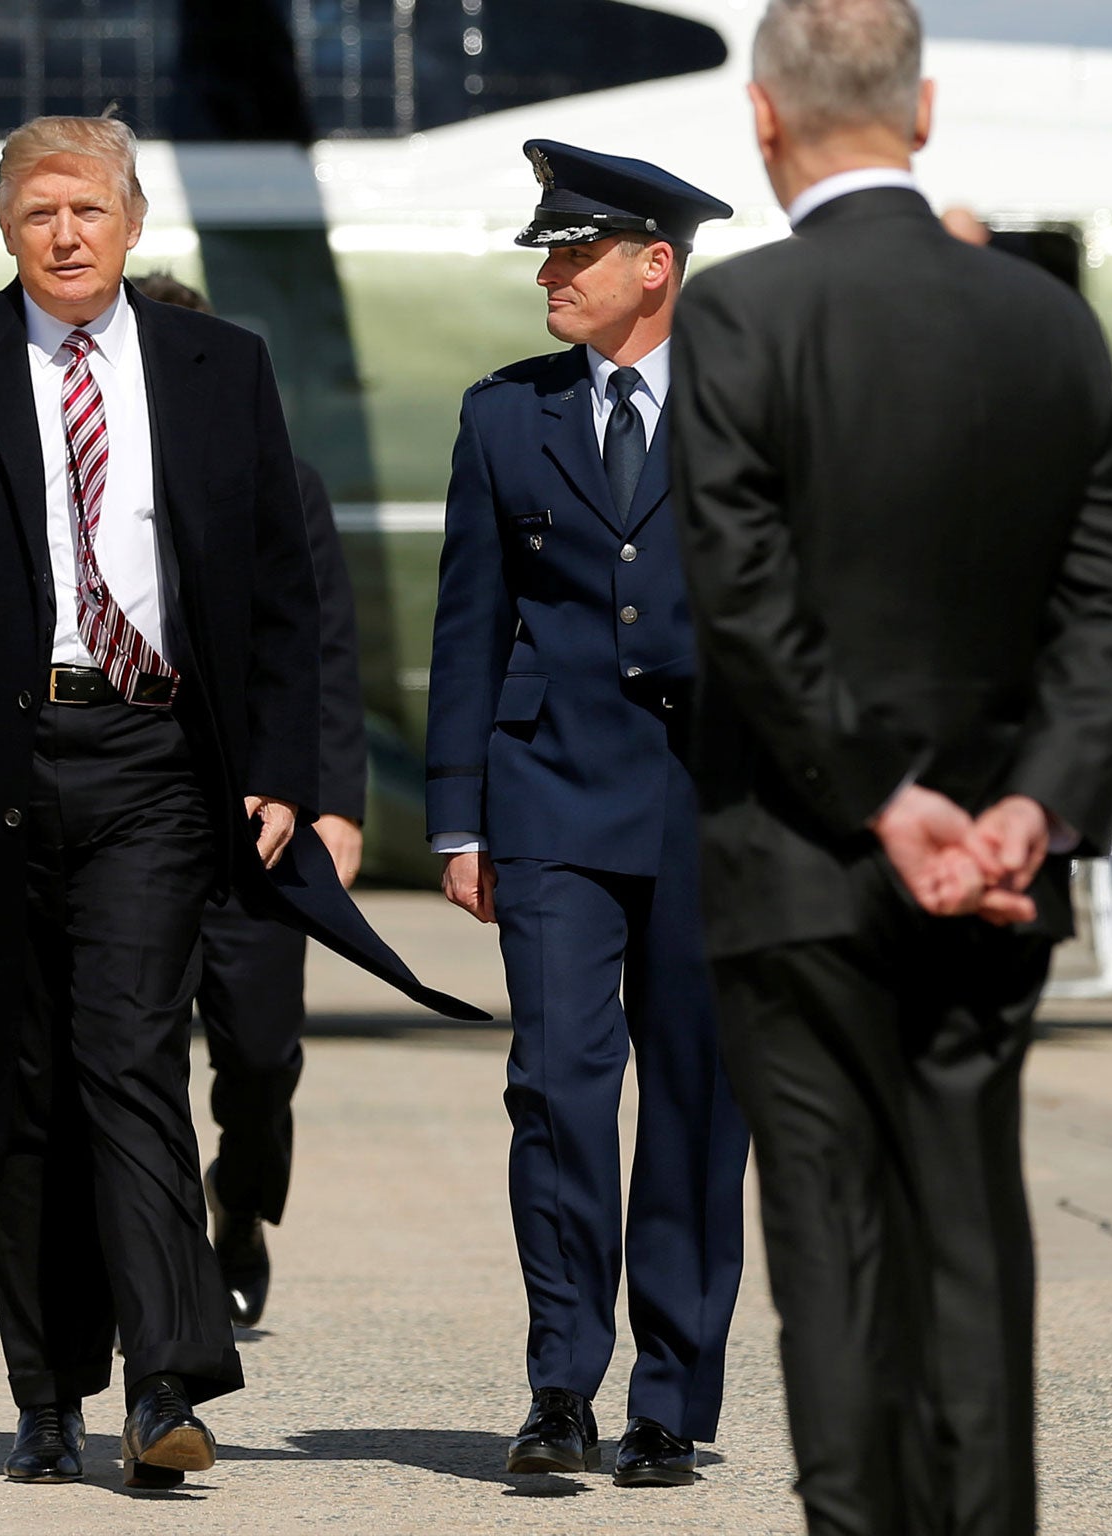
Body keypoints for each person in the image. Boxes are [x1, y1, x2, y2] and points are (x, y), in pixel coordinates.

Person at [0, 112, 481, 1492]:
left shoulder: (216, 367)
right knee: (25, 1088)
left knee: (131, 1060)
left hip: (153, 761)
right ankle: (49, 1394)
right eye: (40, 212)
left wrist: (287, 772)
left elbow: (283, 588)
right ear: (6, 227)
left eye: (90, 211)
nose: (66, 234)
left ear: (132, 225)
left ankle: (167, 1384)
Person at [668, 4, 1112, 1533]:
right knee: (974, 1236)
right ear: (923, 113)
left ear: (762, 120)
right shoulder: (1053, 321)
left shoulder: (739, 317)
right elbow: (1100, 603)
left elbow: (741, 590)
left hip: (799, 858)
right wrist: (1027, 805)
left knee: (833, 1251)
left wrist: (880, 795)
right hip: (995, 867)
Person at [424, 141, 748, 1488]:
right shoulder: (507, 414)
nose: (549, 272)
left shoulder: (751, 412)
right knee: (556, 1089)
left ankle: (669, 1397)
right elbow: (468, 620)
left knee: (692, 1098)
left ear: (654, 264)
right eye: (549, 251)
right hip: (550, 791)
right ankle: (563, 1384)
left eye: (576, 251)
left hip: (715, 804)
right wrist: (458, 818)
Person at [130, 271, 368, 1330]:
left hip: (263, 820)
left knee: (260, 1053)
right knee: (134, 1049)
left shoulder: (288, 488)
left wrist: (337, 803)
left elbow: (323, 653)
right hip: (134, 805)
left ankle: (242, 1198)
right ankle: (168, 1252)